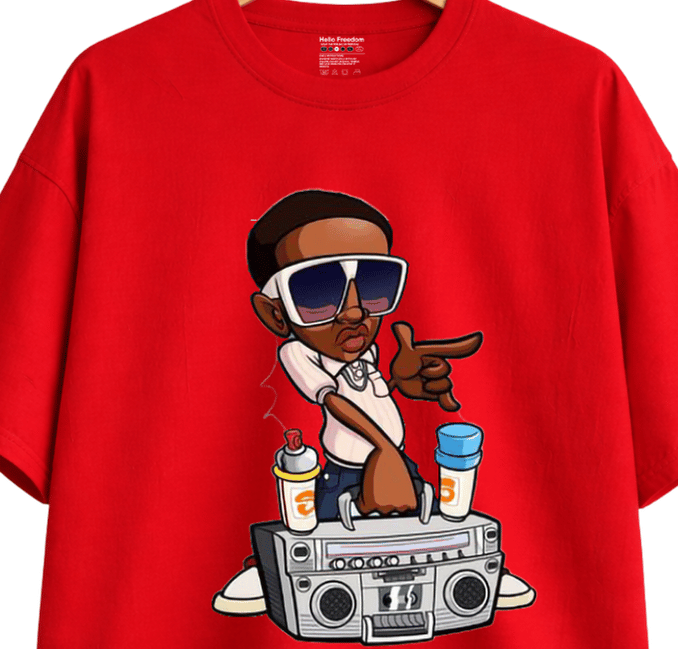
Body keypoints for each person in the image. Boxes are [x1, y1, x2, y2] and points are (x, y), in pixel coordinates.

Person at [214, 188, 535, 617]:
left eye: (374, 283)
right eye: (317, 289)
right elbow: (333, 401)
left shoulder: (366, 351)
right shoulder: (298, 353)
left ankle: (479, 566)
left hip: (396, 458)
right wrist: (383, 448)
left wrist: (400, 384)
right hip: (346, 470)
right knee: (318, 534)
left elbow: (369, 393)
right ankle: (266, 569)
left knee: (429, 520)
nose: (354, 312)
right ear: (275, 314)